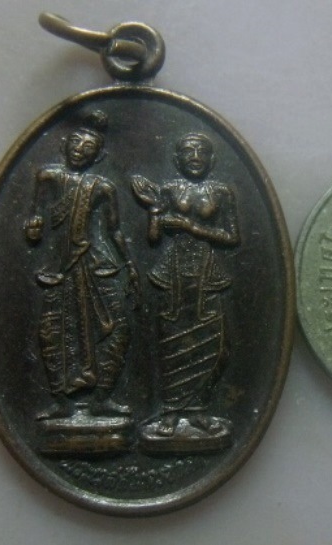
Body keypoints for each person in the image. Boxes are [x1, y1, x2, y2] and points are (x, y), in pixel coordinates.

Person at [25, 110, 140, 420]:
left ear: (98, 156)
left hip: (96, 264)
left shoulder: (102, 187)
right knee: (53, 331)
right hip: (58, 268)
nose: (80, 150)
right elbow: (35, 217)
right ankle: (60, 401)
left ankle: (103, 397)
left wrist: (130, 266)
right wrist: (34, 226)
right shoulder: (47, 177)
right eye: (76, 143)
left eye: (88, 148)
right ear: (65, 144)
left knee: (116, 329)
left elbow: (115, 231)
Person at [133, 132, 239, 439]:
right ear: (177, 159)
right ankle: (170, 411)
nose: (194, 157)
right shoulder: (168, 189)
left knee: (213, 343)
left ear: (211, 159)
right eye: (188, 151)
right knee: (171, 340)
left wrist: (190, 226)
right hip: (173, 271)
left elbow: (232, 237)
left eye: (201, 151)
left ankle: (199, 411)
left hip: (208, 273)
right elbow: (154, 239)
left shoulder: (221, 192)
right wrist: (154, 213)